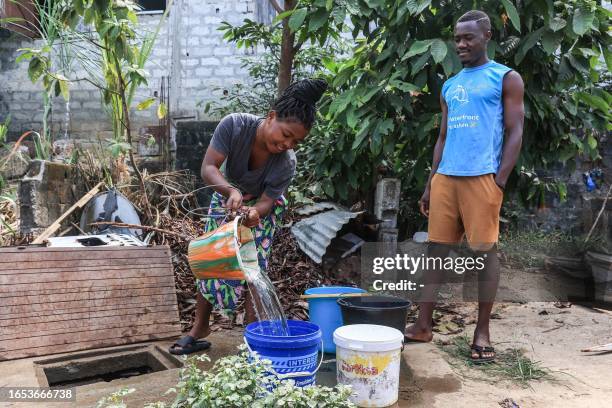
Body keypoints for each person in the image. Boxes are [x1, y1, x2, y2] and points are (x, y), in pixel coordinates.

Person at [169, 78, 328, 354]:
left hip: (260, 210)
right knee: (210, 257)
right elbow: (209, 167)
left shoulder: (287, 162)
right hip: (226, 197)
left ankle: (252, 338)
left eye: (296, 141)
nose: (288, 144)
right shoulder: (235, 125)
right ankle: (200, 327)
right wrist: (231, 191)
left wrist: (255, 213)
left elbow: (268, 200)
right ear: (271, 116)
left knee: (253, 268)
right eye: (286, 134)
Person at [404, 10, 524, 363]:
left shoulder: (505, 78)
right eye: (457, 38)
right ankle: (423, 325)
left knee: (485, 254)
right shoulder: (450, 85)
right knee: (436, 252)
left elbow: (515, 130)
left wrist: (499, 179)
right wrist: (431, 182)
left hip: (481, 179)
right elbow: (442, 137)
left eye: (468, 38)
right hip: (446, 180)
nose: (461, 44)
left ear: (486, 35)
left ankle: (482, 331)